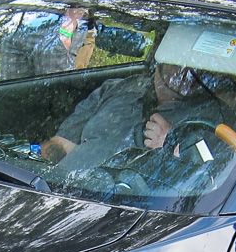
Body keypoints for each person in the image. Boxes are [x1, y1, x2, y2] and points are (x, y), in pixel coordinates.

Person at [43, 62, 218, 178]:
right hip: (60, 192)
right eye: (180, 59)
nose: (187, 70)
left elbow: (201, 185)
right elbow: (58, 145)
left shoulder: (210, 120)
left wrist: (169, 146)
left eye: (197, 66)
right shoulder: (118, 88)